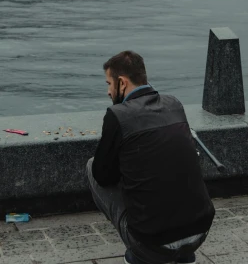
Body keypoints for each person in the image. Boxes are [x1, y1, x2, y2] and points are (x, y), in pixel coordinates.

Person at [87, 51, 214, 264]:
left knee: (91, 167)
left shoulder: (117, 115)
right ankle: (183, 255)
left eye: (109, 84)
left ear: (122, 83)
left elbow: (102, 175)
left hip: (152, 243)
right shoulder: (174, 104)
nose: (108, 91)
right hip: (200, 231)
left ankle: (140, 254)